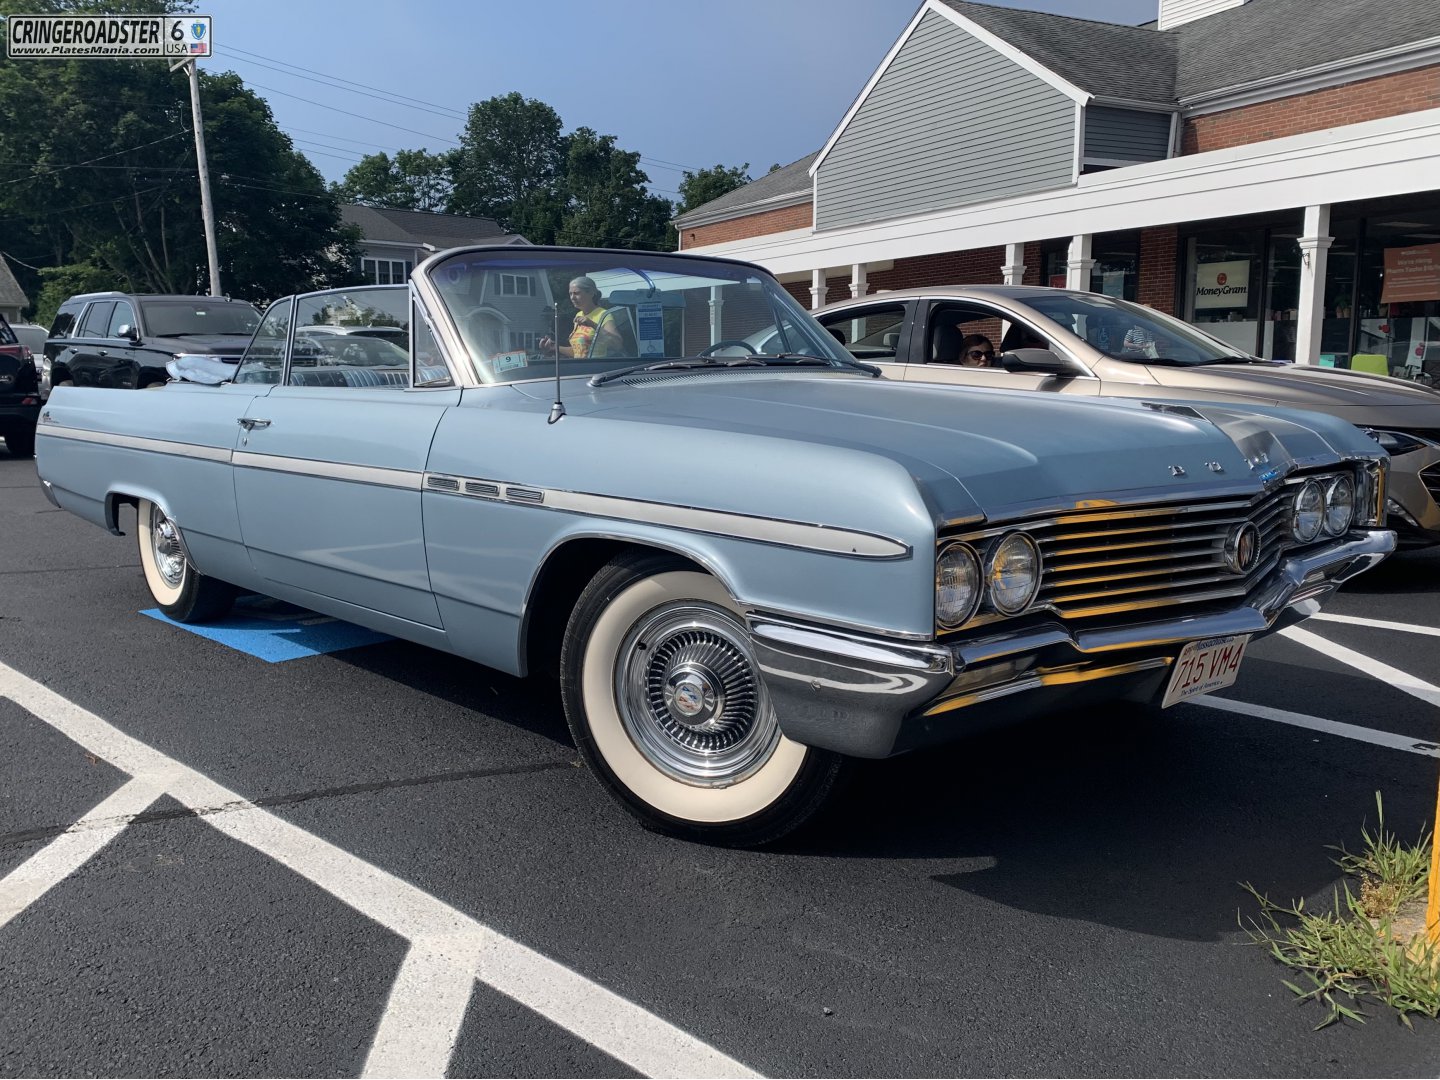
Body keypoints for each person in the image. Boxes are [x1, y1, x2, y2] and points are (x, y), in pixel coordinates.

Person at [539, 276, 626, 359]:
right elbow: (578, 352)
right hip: (580, 367)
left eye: (577, 293)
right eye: (570, 294)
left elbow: (617, 344)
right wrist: (554, 347)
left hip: (597, 368)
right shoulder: (578, 315)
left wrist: (593, 325)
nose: (572, 297)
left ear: (591, 293)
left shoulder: (604, 315)